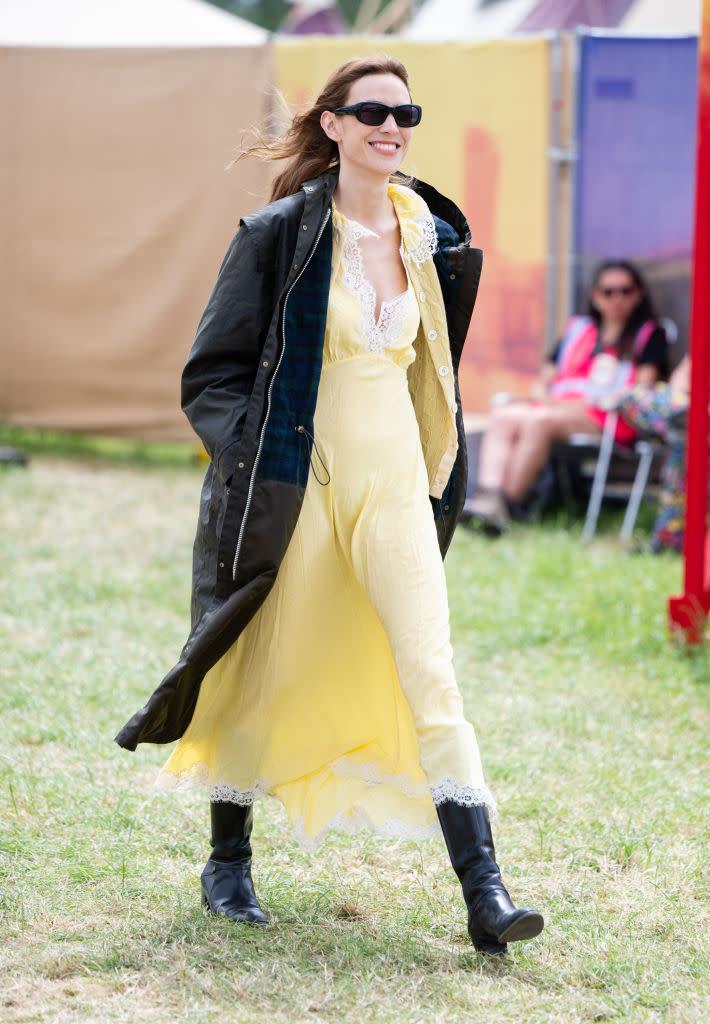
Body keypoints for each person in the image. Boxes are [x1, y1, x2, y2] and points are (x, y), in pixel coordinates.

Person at [115, 55, 543, 956]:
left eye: (406, 112)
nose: (393, 126)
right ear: (335, 125)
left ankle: (488, 895)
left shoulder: (431, 234)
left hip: (395, 481)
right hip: (296, 479)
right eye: (373, 111)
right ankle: (227, 861)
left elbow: (437, 367)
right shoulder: (278, 233)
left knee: (432, 666)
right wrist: (253, 456)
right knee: (262, 655)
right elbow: (212, 373)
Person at [467, 261, 669, 534]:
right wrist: (544, 397)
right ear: (595, 296)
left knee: (539, 420)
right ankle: (488, 498)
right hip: (556, 408)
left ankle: (507, 507)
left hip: (608, 416)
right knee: (504, 416)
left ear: (638, 294)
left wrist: (565, 404)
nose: (617, 299)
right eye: (609, 292)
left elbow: (640, 392)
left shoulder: (650, 335)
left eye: (625, 291)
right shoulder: (577, 329)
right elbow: (543, 381)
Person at [618, 354, 691, 553]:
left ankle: (669, 537)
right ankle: (683, 421)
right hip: (688, 406)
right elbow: (682, 377)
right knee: (632, 396)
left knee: (683, 447)